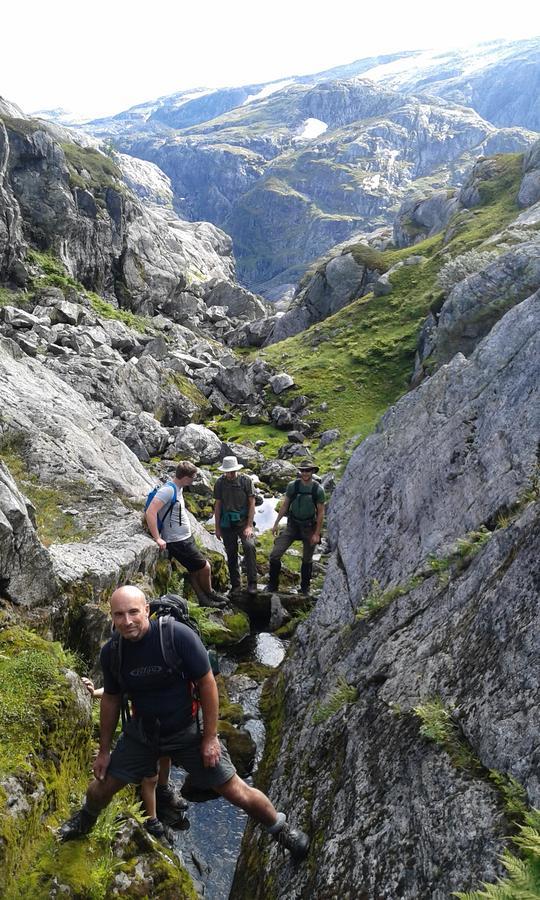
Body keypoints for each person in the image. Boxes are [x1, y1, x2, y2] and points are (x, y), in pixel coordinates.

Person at [59, 586, 309, 861]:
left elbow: (207, 683)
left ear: (147, 611)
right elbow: (111, 699)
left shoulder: (177, 636)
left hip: (187, 730)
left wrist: (211, 737)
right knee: (101, 787)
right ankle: (85, 819)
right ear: (112, 617)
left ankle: (281, 829)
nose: (127, 621)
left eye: (133, 612)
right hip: (143, 734)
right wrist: (104, 751)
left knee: (237, 791)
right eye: (119, 615)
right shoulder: (113, 653)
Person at [81, 678, 188, 837]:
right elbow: (116, 690)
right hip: (143, 734)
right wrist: (94, 692)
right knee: (150, 777)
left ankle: (164, 790)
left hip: (165, 727)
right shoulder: (138, 668)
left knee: (165, 758)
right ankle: (152, 819)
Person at [145, 460, 227, 609]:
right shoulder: (168, 491)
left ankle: (203, 598)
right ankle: (209, 593)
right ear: (185, 478)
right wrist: (157, 538)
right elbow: (150, 512)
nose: (193, 481)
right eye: (193, 478)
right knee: (205, 567)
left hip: (185, 537)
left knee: (194, 569)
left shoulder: (178, 488)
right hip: (177, 541)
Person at [267, 464, 325, 596]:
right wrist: (276, 523)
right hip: (292, 526)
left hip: (309, 527)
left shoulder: (318, 489)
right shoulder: (293, 486)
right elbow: (285, 505)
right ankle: (272, 585)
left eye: (308, 471)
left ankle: (305, 588)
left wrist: (316, 533)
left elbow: (321, 513)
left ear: (312, 472)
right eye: (303, 470)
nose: (305, 473)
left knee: (307, 559)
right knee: (275, 554)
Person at [214, 456, 257, 597]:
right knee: (231, 553)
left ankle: (252, 583)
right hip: (227, 523)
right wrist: (217, 527)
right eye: (228, 472)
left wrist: (249, 526)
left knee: (249, 546)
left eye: (232, 471)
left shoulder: (246, 481)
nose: (230, 474)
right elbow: (218, 505)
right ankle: (236, 584)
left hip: (244, 522)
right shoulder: (219, 483)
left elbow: (252, 503)